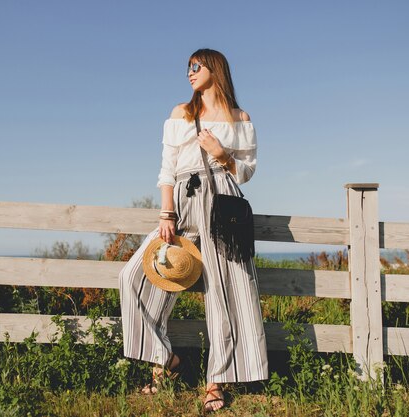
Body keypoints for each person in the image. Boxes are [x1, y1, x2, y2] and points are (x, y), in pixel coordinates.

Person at [119, 48, 268, 413]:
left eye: (196, 66)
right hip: (184, 200)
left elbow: (246, 172)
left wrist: (222, 153)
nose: (189, 72)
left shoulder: (239, 117)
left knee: (225, 293)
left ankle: (216, 381)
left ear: (214, 69)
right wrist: (166, 213)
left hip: (223, 204)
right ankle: (166, 361)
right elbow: (167, 168)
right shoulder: (180, 114)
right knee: (133, 278)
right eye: (187, 66)